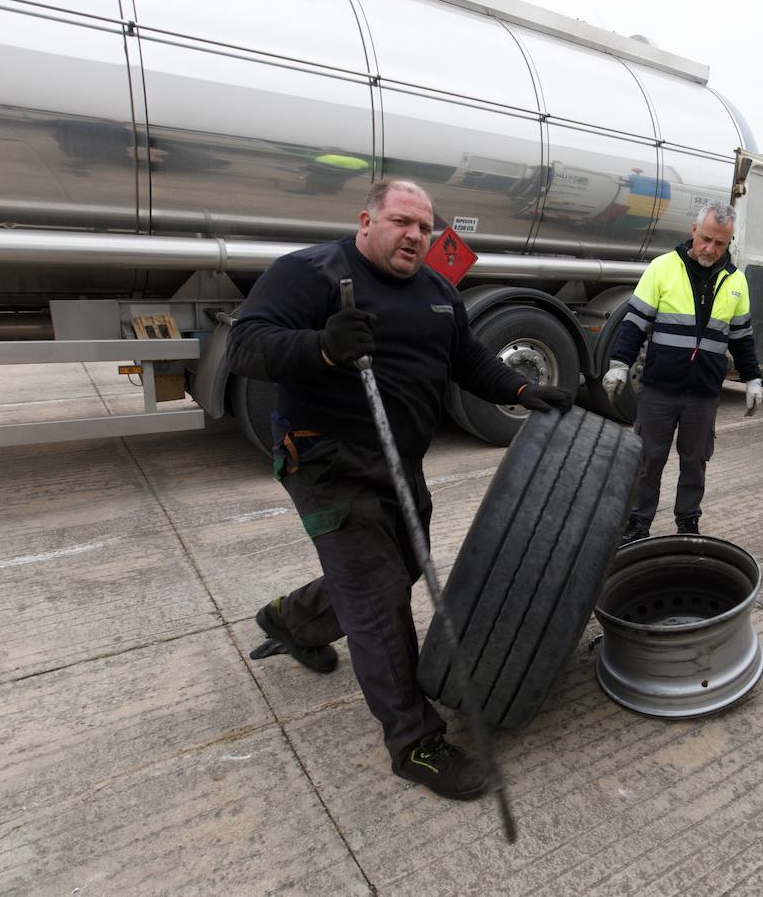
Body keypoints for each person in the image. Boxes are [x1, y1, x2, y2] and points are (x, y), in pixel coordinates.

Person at [228, 179, 572, 800]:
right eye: (401, 221)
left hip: (401, 460)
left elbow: (468, 359)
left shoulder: (437, 290)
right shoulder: (310, 274)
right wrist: (323, 348)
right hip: (326, 460)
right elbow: (246, 346)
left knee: (402, 567)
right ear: (367, 220)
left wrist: (521, 392)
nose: (415, 235)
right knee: (379, 598)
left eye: (425, 226)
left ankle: (290, 621)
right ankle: (414, 741)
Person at [602, 201, 762, 542]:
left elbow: (743, 337)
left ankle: (687, 521)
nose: (710, 249)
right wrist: (618, 365)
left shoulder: (736, 281)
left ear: (729, 242)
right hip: (660, 388)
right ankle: (637, 523)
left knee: (695, 462)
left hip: (703, 394)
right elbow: (634, 324)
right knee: (647, 461)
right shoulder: (662, 268)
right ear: (694, 230)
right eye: (706, 239)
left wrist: (753, 379)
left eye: (720, 243)